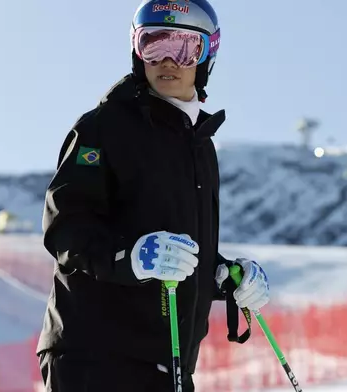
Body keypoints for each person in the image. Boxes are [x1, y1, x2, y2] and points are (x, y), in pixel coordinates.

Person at [36, 1, 270, 391]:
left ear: (207, 54)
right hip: (95, 356)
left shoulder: (198, 146)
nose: (168, 61)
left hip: (169, 364)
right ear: (136, 50)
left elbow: (176, 253)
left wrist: (222, 275)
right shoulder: (103, 126)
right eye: (153, 44)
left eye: (184, 48)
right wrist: (129, 257)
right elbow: (66, 228)